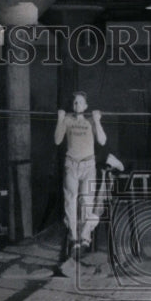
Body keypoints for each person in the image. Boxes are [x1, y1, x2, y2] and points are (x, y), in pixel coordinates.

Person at [54, 92, 107, 257]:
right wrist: (60, 118)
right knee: (70, 200)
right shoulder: (68, 120)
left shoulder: (91, 120)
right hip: (71, 164)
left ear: (86, 106)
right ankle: (74, 237)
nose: (77, 105)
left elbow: (103, 141)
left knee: (87, 200)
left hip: (88, 165)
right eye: (75, 103)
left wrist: (97, 121)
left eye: (81, 103)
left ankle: (85, 235)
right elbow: (57, 140)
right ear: (73, 106)